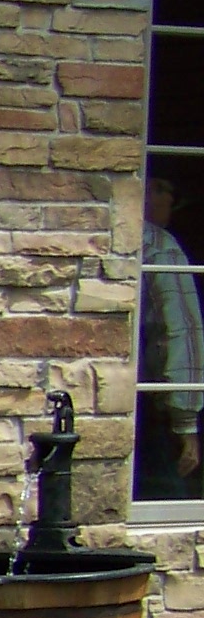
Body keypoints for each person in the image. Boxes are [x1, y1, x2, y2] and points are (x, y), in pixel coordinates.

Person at [137, 174, 202, 502]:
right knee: (170, 499)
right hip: (153, 407)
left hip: (127, 398)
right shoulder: (159, 245)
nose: (169, 201)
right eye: (162, 188)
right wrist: (187, 423)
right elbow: (179, 331)